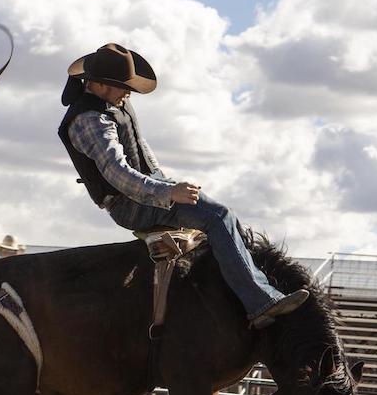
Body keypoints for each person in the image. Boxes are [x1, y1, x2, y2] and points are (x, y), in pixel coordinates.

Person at [58, 43, 308, 329]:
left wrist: (165, 180)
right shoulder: (90, 119)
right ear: (98, 85)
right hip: (128, 203)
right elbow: (118, 174)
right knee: (217, 216)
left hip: (145, 191)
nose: (128, 92)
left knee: (226, 218)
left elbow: (141, 148)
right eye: (121, 86)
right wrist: (167, 192)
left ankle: (250, 289)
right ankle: (260, 302)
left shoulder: (111, 103)